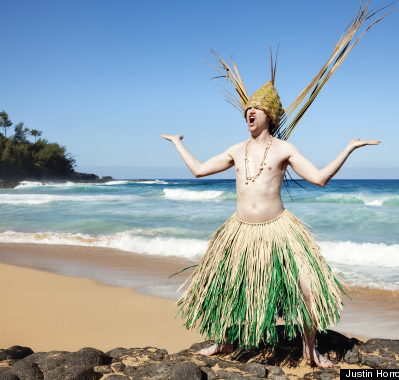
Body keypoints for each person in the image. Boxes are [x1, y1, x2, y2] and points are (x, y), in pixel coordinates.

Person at [162, 80, 380, 368]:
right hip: (239, 230)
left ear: (270, 116)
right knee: (227, 285)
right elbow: (199, 170)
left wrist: (349, 148)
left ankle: (309, 348)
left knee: (309, 285)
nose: (249, 113)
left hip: (279, 229)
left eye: (256, 109)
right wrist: (179, 143)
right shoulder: (236, 150)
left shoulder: (284, 149)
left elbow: (319, 178)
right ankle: (224, 341)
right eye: (247, 110)